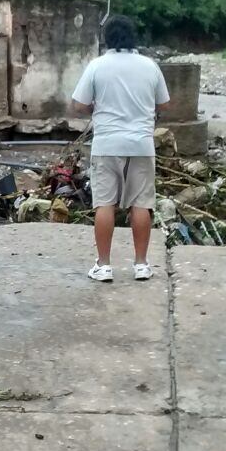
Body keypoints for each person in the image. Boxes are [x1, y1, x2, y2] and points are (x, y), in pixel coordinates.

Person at [70, 15, 170, 283]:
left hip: (107, 144)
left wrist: (97, 107)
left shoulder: (97, 66)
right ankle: (141, 265)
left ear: (107, 38)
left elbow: (78, 104)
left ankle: (103, 266)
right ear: (132, 36)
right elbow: (163, 104)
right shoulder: (150, 66)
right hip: (141, 144)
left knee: (105, 203)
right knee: (141, 204)